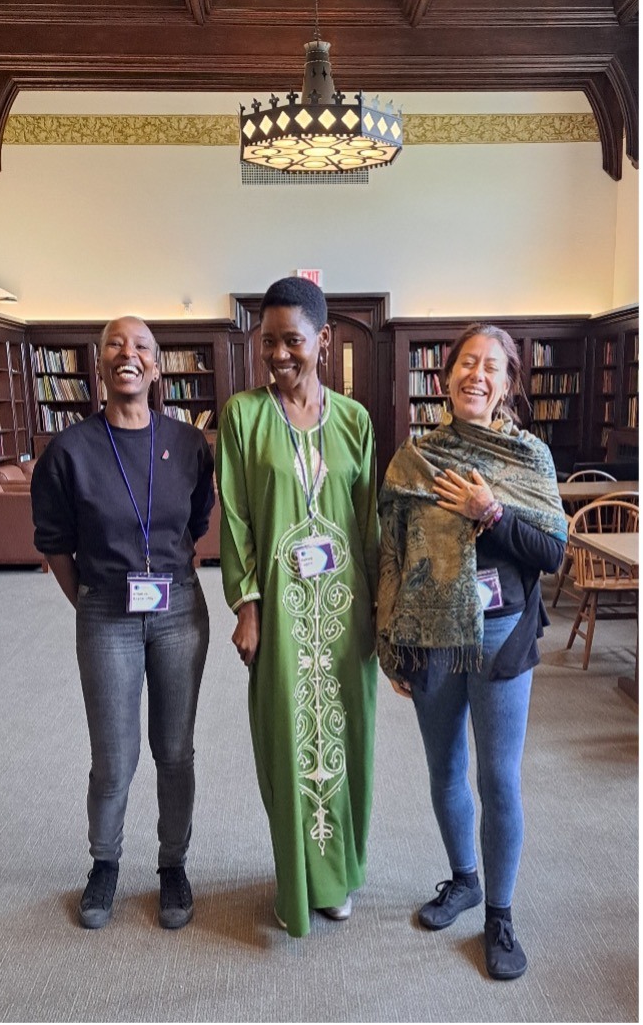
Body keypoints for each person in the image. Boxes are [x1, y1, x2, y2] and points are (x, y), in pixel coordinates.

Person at [377, 322, 566, 980]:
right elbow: (393, 554)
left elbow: (552, 553)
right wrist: (392, 640)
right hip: (430, 636)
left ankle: (500, 916)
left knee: (498, 778)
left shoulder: (529, 458)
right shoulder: (416, 459)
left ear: (508, 384)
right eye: (466, 363)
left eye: (491, 366)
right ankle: (463, 879)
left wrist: (492, 512)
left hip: (502, 634)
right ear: (445, 376)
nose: (476, 375)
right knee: (445, 767)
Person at [31, 316, 213, 931]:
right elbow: (55, 543)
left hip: (179, 611)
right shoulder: (69, 450)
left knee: (175, 751)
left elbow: (196, 524)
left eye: (140, 346)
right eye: (114, 343)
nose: (127, 353)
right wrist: (89, 602)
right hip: (106, 612)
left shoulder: (188, 444)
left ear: (156, 367)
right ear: (99, 363)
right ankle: (104, 862)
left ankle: (172, 865)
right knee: (113, 757)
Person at [216, 276, 378, 938]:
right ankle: (299, 880)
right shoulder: (243, 416)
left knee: (347, 738)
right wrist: (246, 606)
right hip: (281, 614)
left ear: (323, 340)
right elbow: (235, 520)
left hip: (346, 611)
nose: (279, 354)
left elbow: (368, 523)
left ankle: (337, 877)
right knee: (285, 742)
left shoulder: (355, 421)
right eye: (268, 342)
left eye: (293, 341)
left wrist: (381, 612)